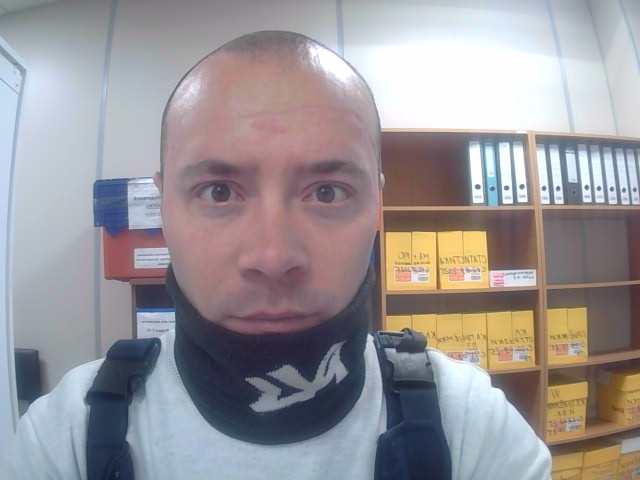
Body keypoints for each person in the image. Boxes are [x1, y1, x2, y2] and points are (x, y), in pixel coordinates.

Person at [1, 30, 551, 479]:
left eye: (327, 192)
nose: (272, 256)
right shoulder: (67, 435)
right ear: (163, 206)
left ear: (378, 208)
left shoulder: (471, 427)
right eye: (219, 191)